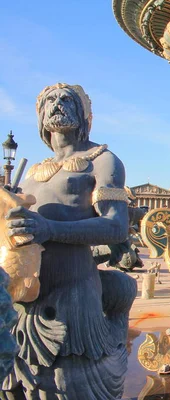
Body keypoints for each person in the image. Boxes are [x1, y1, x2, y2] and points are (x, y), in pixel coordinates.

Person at [1, 83, 136, 399]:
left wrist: (49, 228)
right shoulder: (33, 172)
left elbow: (116, 227)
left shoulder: (103, 161)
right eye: (49, 100)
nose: (57, 103)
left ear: (85, 115)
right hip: (28, 297)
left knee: (68, 385)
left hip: (73, 294)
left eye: (67, 99)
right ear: (40, 116)